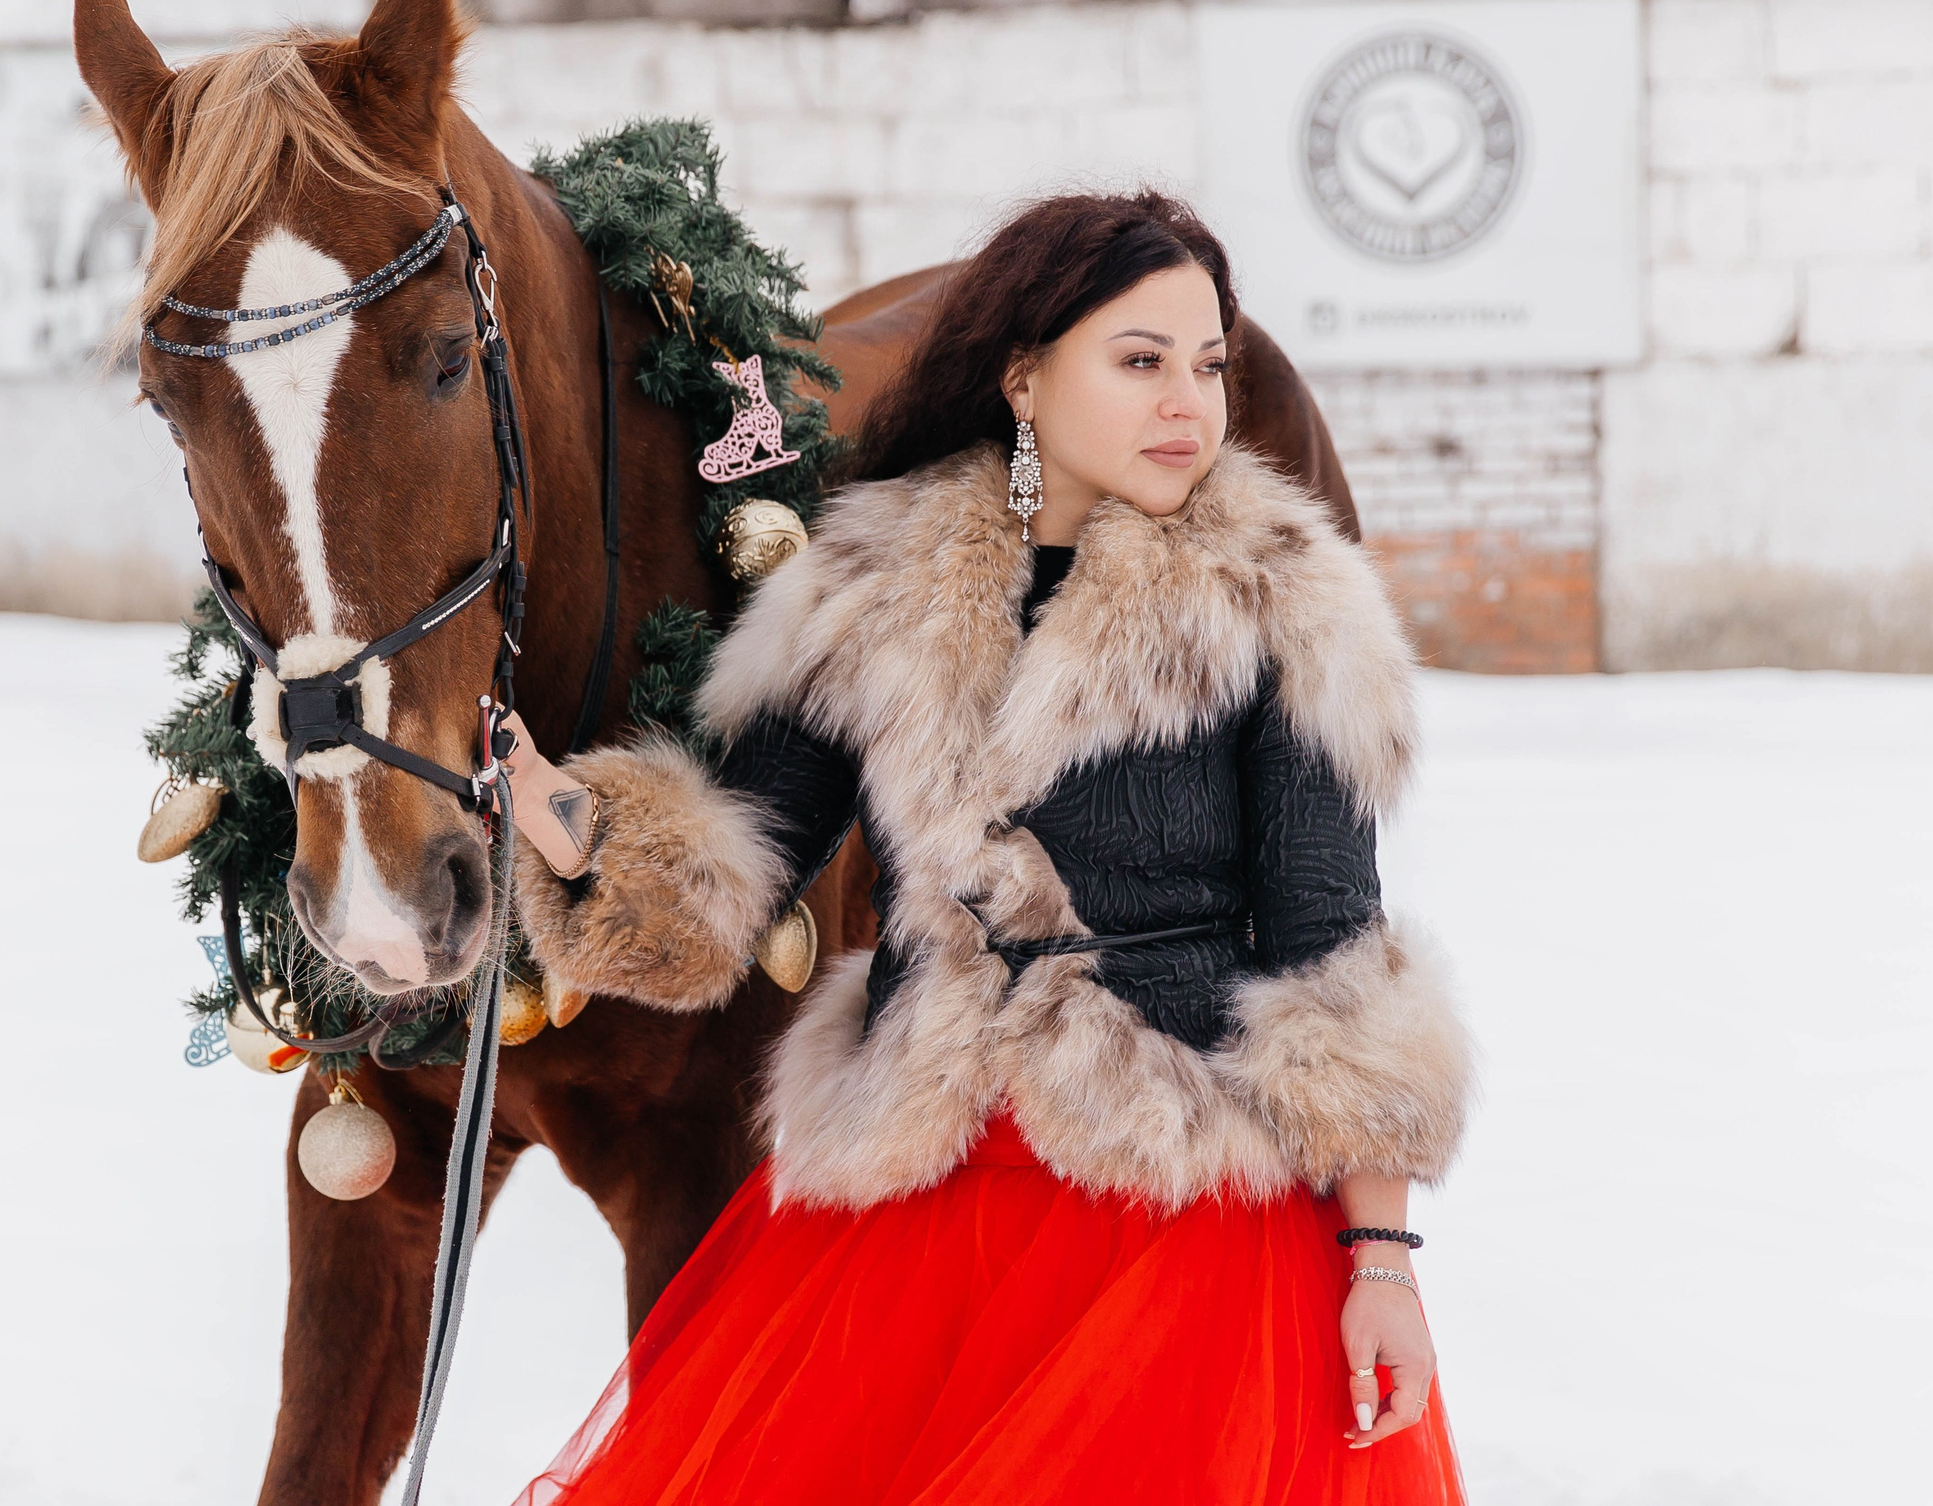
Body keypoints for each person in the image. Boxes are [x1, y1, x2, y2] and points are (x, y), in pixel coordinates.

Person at [497, 190, 1473, 1504]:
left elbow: (1333, 943)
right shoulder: (874, 582)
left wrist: (1381, 1262)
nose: (1188, 403)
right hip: (914, 1210)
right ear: (1024, 376)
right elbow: (735, 866)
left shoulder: (1281, 595)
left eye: (1208, 366)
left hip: (1181, 1228)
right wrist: (557, 818)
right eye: (1142, 361)